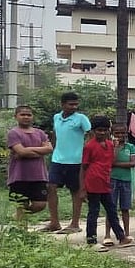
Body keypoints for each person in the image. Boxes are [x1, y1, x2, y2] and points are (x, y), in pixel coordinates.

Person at [45, 91, 91, 233]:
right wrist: (52, 149)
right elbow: (55, 135)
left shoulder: (81, 118)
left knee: (75, 191)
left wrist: (86, 154)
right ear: (63, 104)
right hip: (57, 160)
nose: (74, 107)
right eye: (71, 104)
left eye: (76, 104)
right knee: (50, 187)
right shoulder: (57, 117)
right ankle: (54, 222)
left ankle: (75, 223)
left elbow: (91, 134)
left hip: (76, 161)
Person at [81, 116, 130, 248]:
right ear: (93, 131)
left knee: (112, 211)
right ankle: (91, 241)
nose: (102, 133)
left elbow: (111, 161)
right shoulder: (89, 146)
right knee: (94, 212)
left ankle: (121, 237)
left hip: (105, 182)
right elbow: (84, 167)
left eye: (104, 130)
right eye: (99, 130)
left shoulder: (109, 145)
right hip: (93, 182)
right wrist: (83, 188)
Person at [6, 105, 53, 221]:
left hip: (39, 176)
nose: (26, 117)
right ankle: (22, 233)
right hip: (19, 176)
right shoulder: (13, 133)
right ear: (16, 116)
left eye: (29, 115)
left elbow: (49, 149)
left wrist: (26, 151)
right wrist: (40, 151)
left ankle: (16, 218)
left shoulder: (40, 133)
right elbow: (20, 151)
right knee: (22, 205)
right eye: (22, 114)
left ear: (33, 117)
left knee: (40, 204)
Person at [107, 123, 135, 242]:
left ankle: (126, 233)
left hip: (126, 180)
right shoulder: (109, 146)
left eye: (123, 133)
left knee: (125, 208)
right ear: (112, 134)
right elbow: (109, 162)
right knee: (111, 207)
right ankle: (107, 235)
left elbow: (132, 163)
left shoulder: (130, 147)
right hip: (112, 179)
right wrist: (115, 148)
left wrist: (116, 164)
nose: (120, 135)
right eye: (117, 133)